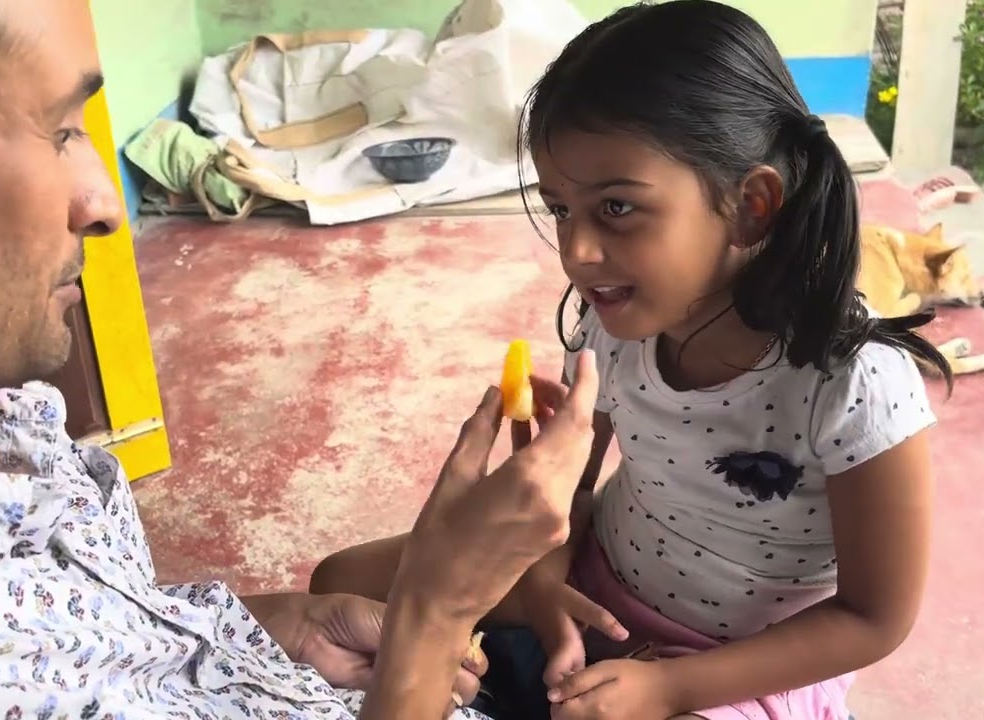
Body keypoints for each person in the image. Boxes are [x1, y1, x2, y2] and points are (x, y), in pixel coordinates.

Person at [0, 1, 607, 717]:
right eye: (61, 132)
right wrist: (434, 611)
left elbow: (79, 641)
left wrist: (278, 626)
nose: (104, 208)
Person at [311, 2, 951, 719]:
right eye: (559, 209)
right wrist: (546, 584)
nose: (577, 252)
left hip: (735, 661)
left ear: (752, 206)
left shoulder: (854, 384)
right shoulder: (614, 325)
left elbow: (873, 618)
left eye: (616, 207)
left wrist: (670, 688)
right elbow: (568, 495)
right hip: (595, 581)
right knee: (339, 584)